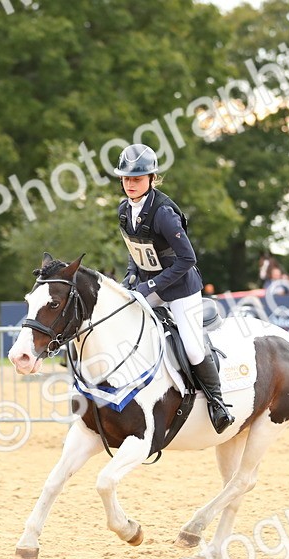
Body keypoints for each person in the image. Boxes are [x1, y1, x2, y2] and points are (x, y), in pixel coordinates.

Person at [115, 143, 234, 433]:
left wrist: (150, 285)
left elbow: (187, 258)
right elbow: (136, 248)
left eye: (137, 178)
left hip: (181, 288)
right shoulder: (123, 210)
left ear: (151, 179)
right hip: (150, 285)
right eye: (127, 178)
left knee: (193, 349)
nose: (131, 184)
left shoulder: (164, 213)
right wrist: (132, 275)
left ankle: (218, 404)